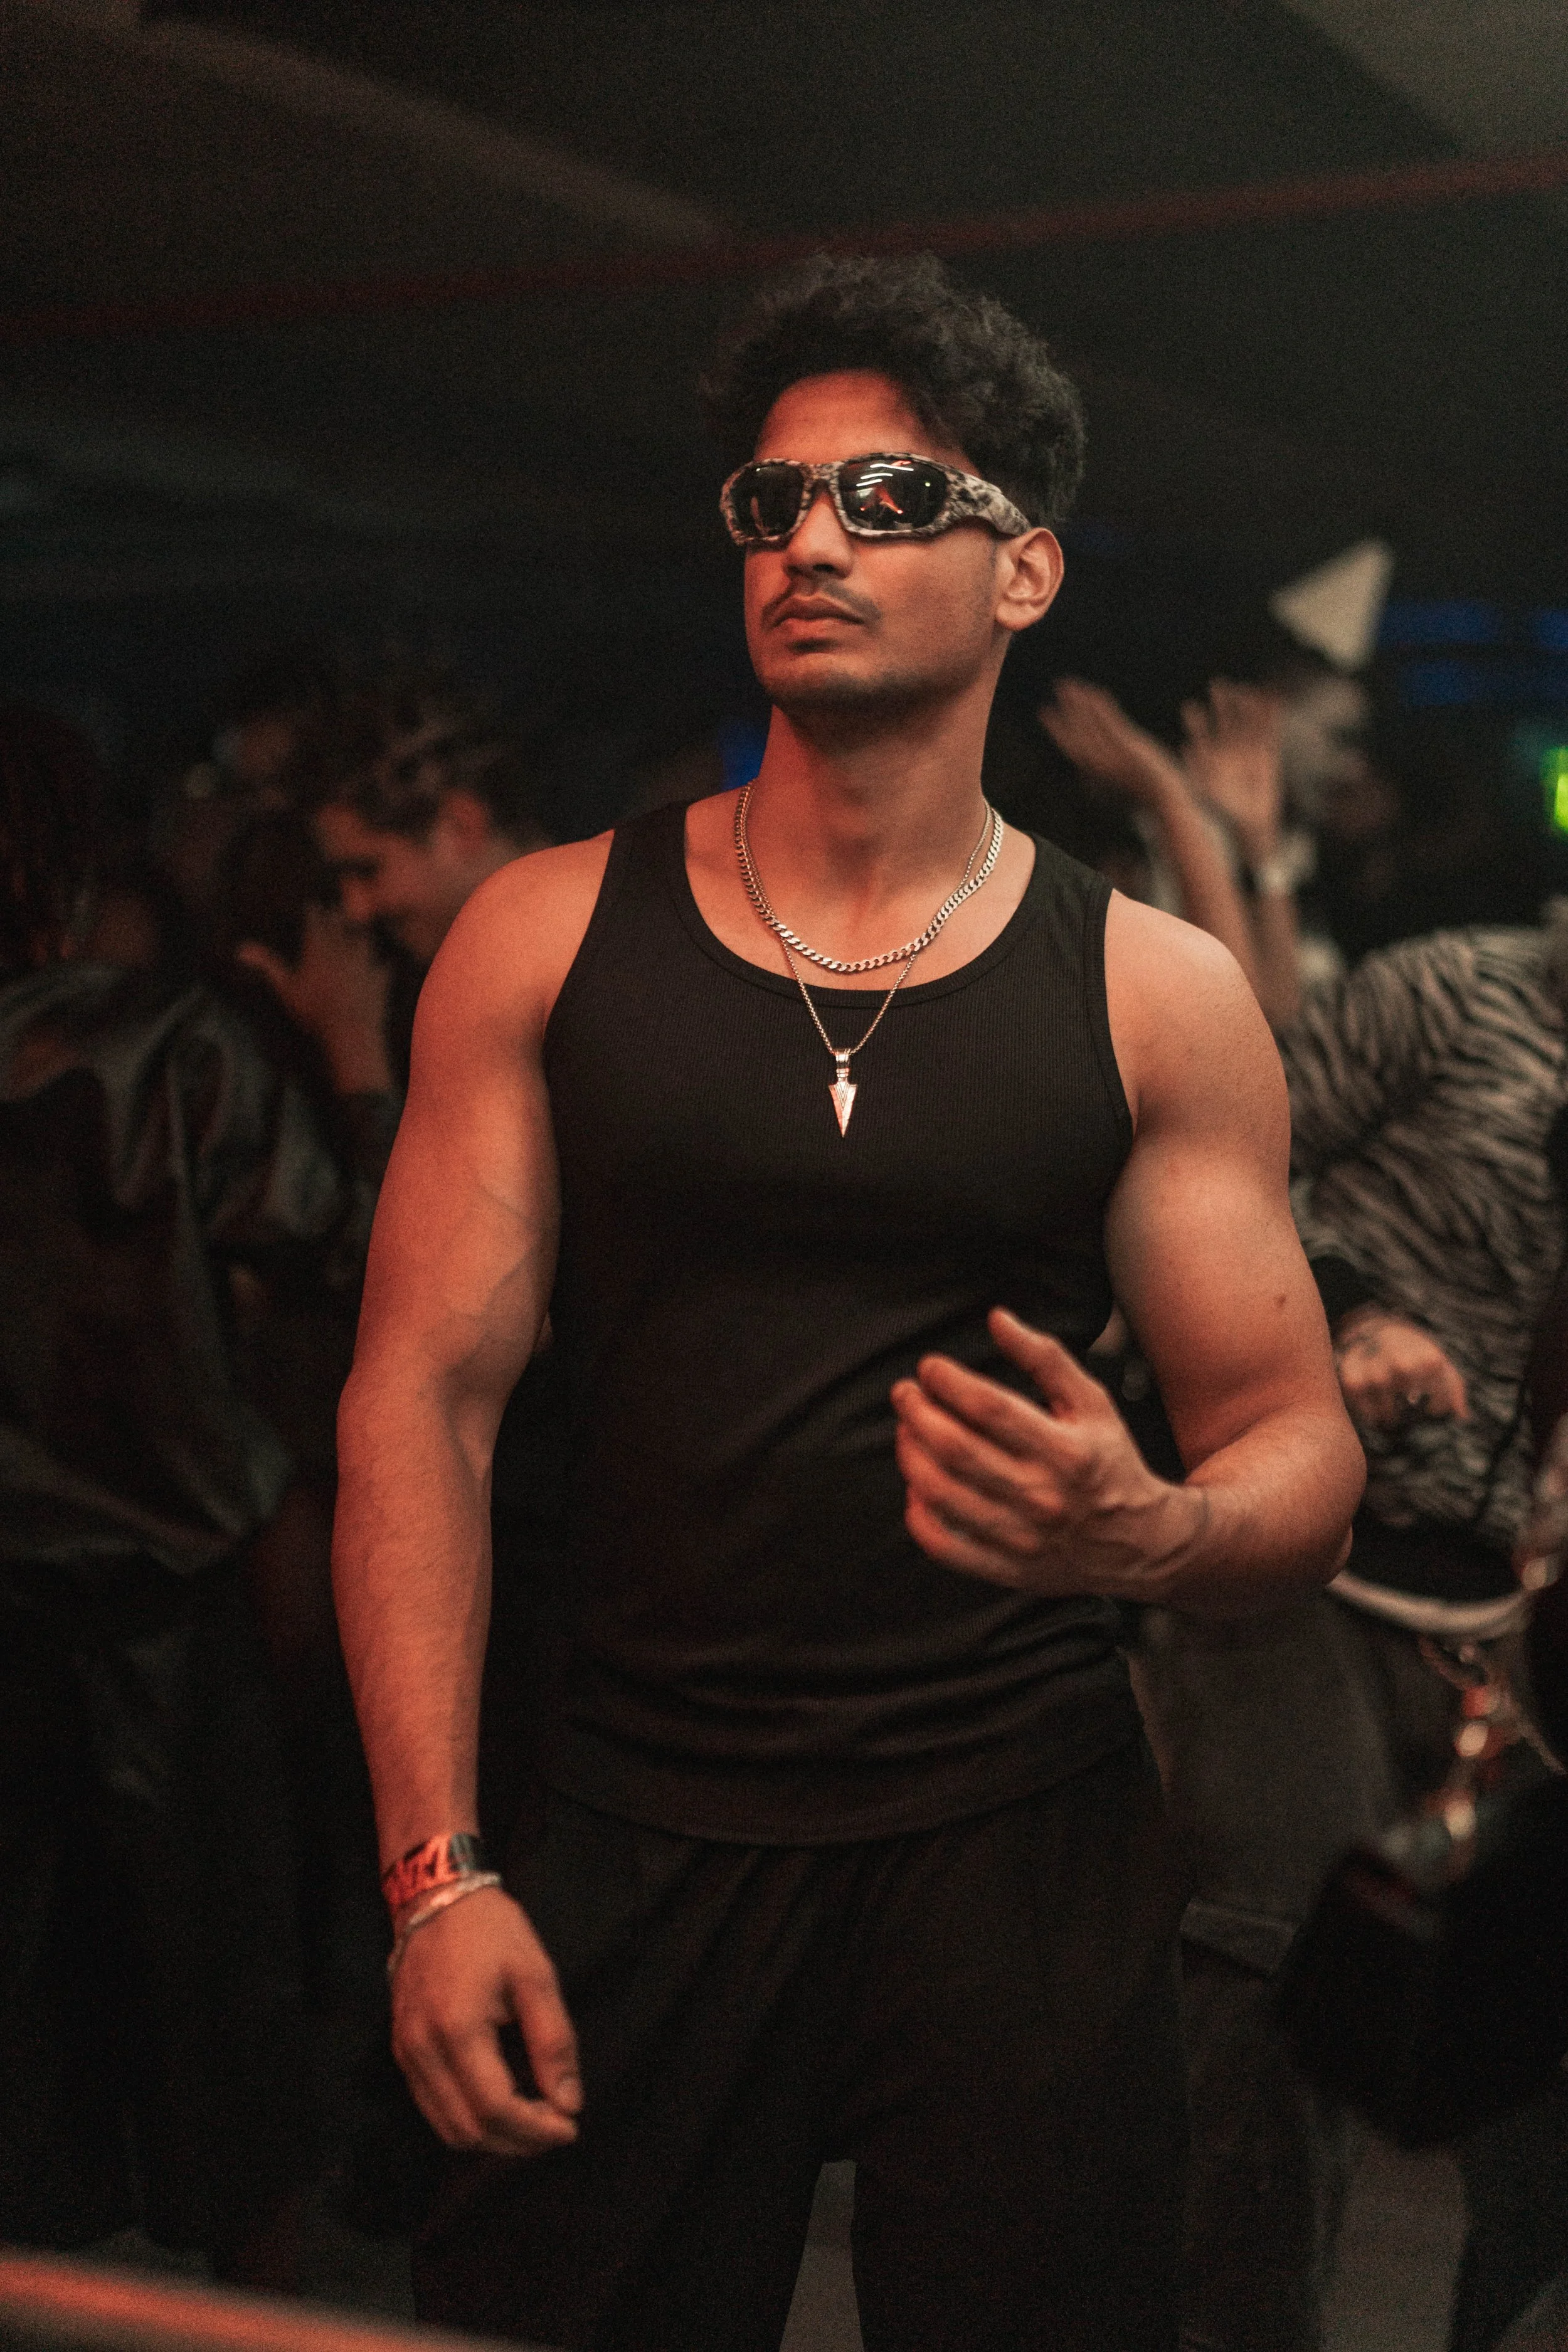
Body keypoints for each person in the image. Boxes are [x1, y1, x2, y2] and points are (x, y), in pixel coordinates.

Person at [332, 253, 1363, 2352]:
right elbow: (417, 1406)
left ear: (1025, 574)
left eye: (893, 500)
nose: (811, 537)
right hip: (637, 1814)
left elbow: (1298, 1447)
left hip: (1019, 1845)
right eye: (774, 501)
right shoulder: (543, 938)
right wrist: (435, 1879)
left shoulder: (1152, 993)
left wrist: (1150, 1530)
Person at [1135, 905, 1568, 2352]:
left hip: (1508, 1612)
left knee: (1520, 2054)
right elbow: (1225, 1163)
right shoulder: (1451, 992)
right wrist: (1354, 1314)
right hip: (1308, 1557)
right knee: (1271, 1966)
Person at [0, 701, 395, 2283]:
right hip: (170, 1627)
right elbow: (362, 1266)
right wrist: (361, 1062)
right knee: (228, 2068)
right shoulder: (167, 1043)